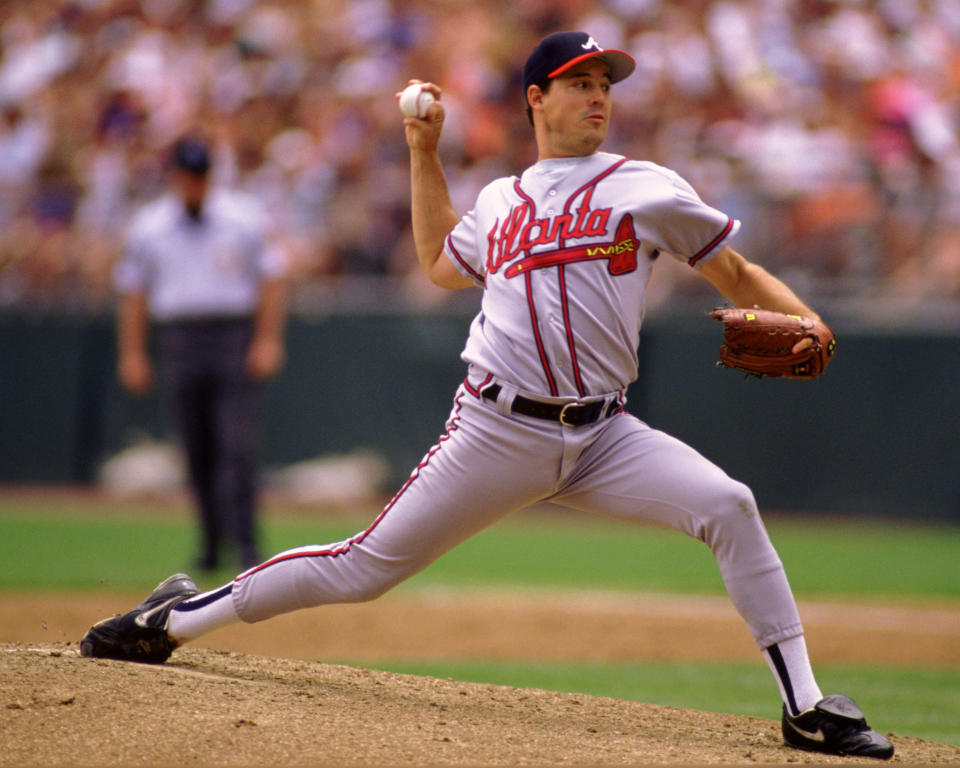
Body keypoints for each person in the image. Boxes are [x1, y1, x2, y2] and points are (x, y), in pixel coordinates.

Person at [82, 34, 893, 760]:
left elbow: (736, 275)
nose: (599, 95)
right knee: (361, 569)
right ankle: (172, 620)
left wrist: (805, 317)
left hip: (606, 435)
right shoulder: (502, 201)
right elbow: (439, 262)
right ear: (536, 99)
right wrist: (422, 151)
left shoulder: (646, 188)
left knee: (731, 504)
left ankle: (805, 706)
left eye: (606, 82)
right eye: (579, 82)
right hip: (495, 432)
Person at [112, 136, 288, 571]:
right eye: (187, 176)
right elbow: (133, 291)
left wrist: (267, 339)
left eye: (201, 175)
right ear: (174, 177)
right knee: (196, 448)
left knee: (237, 445)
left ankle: (247, 544)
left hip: (230, 334)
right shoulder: (150, 225)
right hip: (180, 338)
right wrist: (132, 352)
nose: (194, 184)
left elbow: (271, 278)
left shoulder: (241, 217)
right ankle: (210, 545)